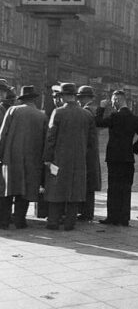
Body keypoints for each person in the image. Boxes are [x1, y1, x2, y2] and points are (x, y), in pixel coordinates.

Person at [43, 83, 98, 231]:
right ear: (75, 96)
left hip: (58, 159)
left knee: (56, 189)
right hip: (79, 159)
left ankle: (53, 222)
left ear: (62, 96)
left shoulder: (58, 112)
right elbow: (92, 141)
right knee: (75, 190)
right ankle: (70, 223)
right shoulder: (87, 115)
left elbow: (50, 137)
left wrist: (47, 158)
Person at [96, 90, 138, 226]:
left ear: (118, 100)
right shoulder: (133, 118)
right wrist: (133, 149)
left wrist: (101, 107)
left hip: (114, 157)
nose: (112, 104)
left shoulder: (115, 116)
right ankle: (124, 218)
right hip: (127, 157)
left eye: (113, 101)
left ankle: (112, 217)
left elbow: (98, 122)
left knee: (113, 188)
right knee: (126, 187)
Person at [0, 86, 47, 229]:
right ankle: (20, 221)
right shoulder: (42, 116)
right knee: (26, 189)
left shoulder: (13, 110)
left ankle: (4, 221)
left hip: (11, 157)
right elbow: (46, 140)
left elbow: (2, 135)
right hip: (33, 159)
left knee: (7, 190)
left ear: (22, 99)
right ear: (34, 99)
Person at [76, 85, 102, 221]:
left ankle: (86, 213)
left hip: (87, 151)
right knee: (89, 184)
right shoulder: (93, 109)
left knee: (87, 183)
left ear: (87, 98)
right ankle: (87, 212)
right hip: (92, 150)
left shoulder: (86, 110)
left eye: (81, 98)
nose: (79, 100)